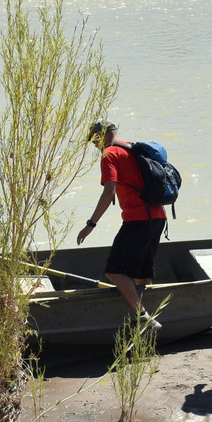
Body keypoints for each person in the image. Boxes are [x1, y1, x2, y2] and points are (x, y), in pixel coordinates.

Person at [76, 121, 167, 330]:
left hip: (138, 219)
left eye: (92, 141)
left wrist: (91, 224)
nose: (94, 146)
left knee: (115, 271)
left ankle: (143, 318)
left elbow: (109, 191)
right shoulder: (131, 148)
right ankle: (155, 315)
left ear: (98, 137)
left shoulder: (109, 154)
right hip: (158, 216)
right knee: (142, 273)